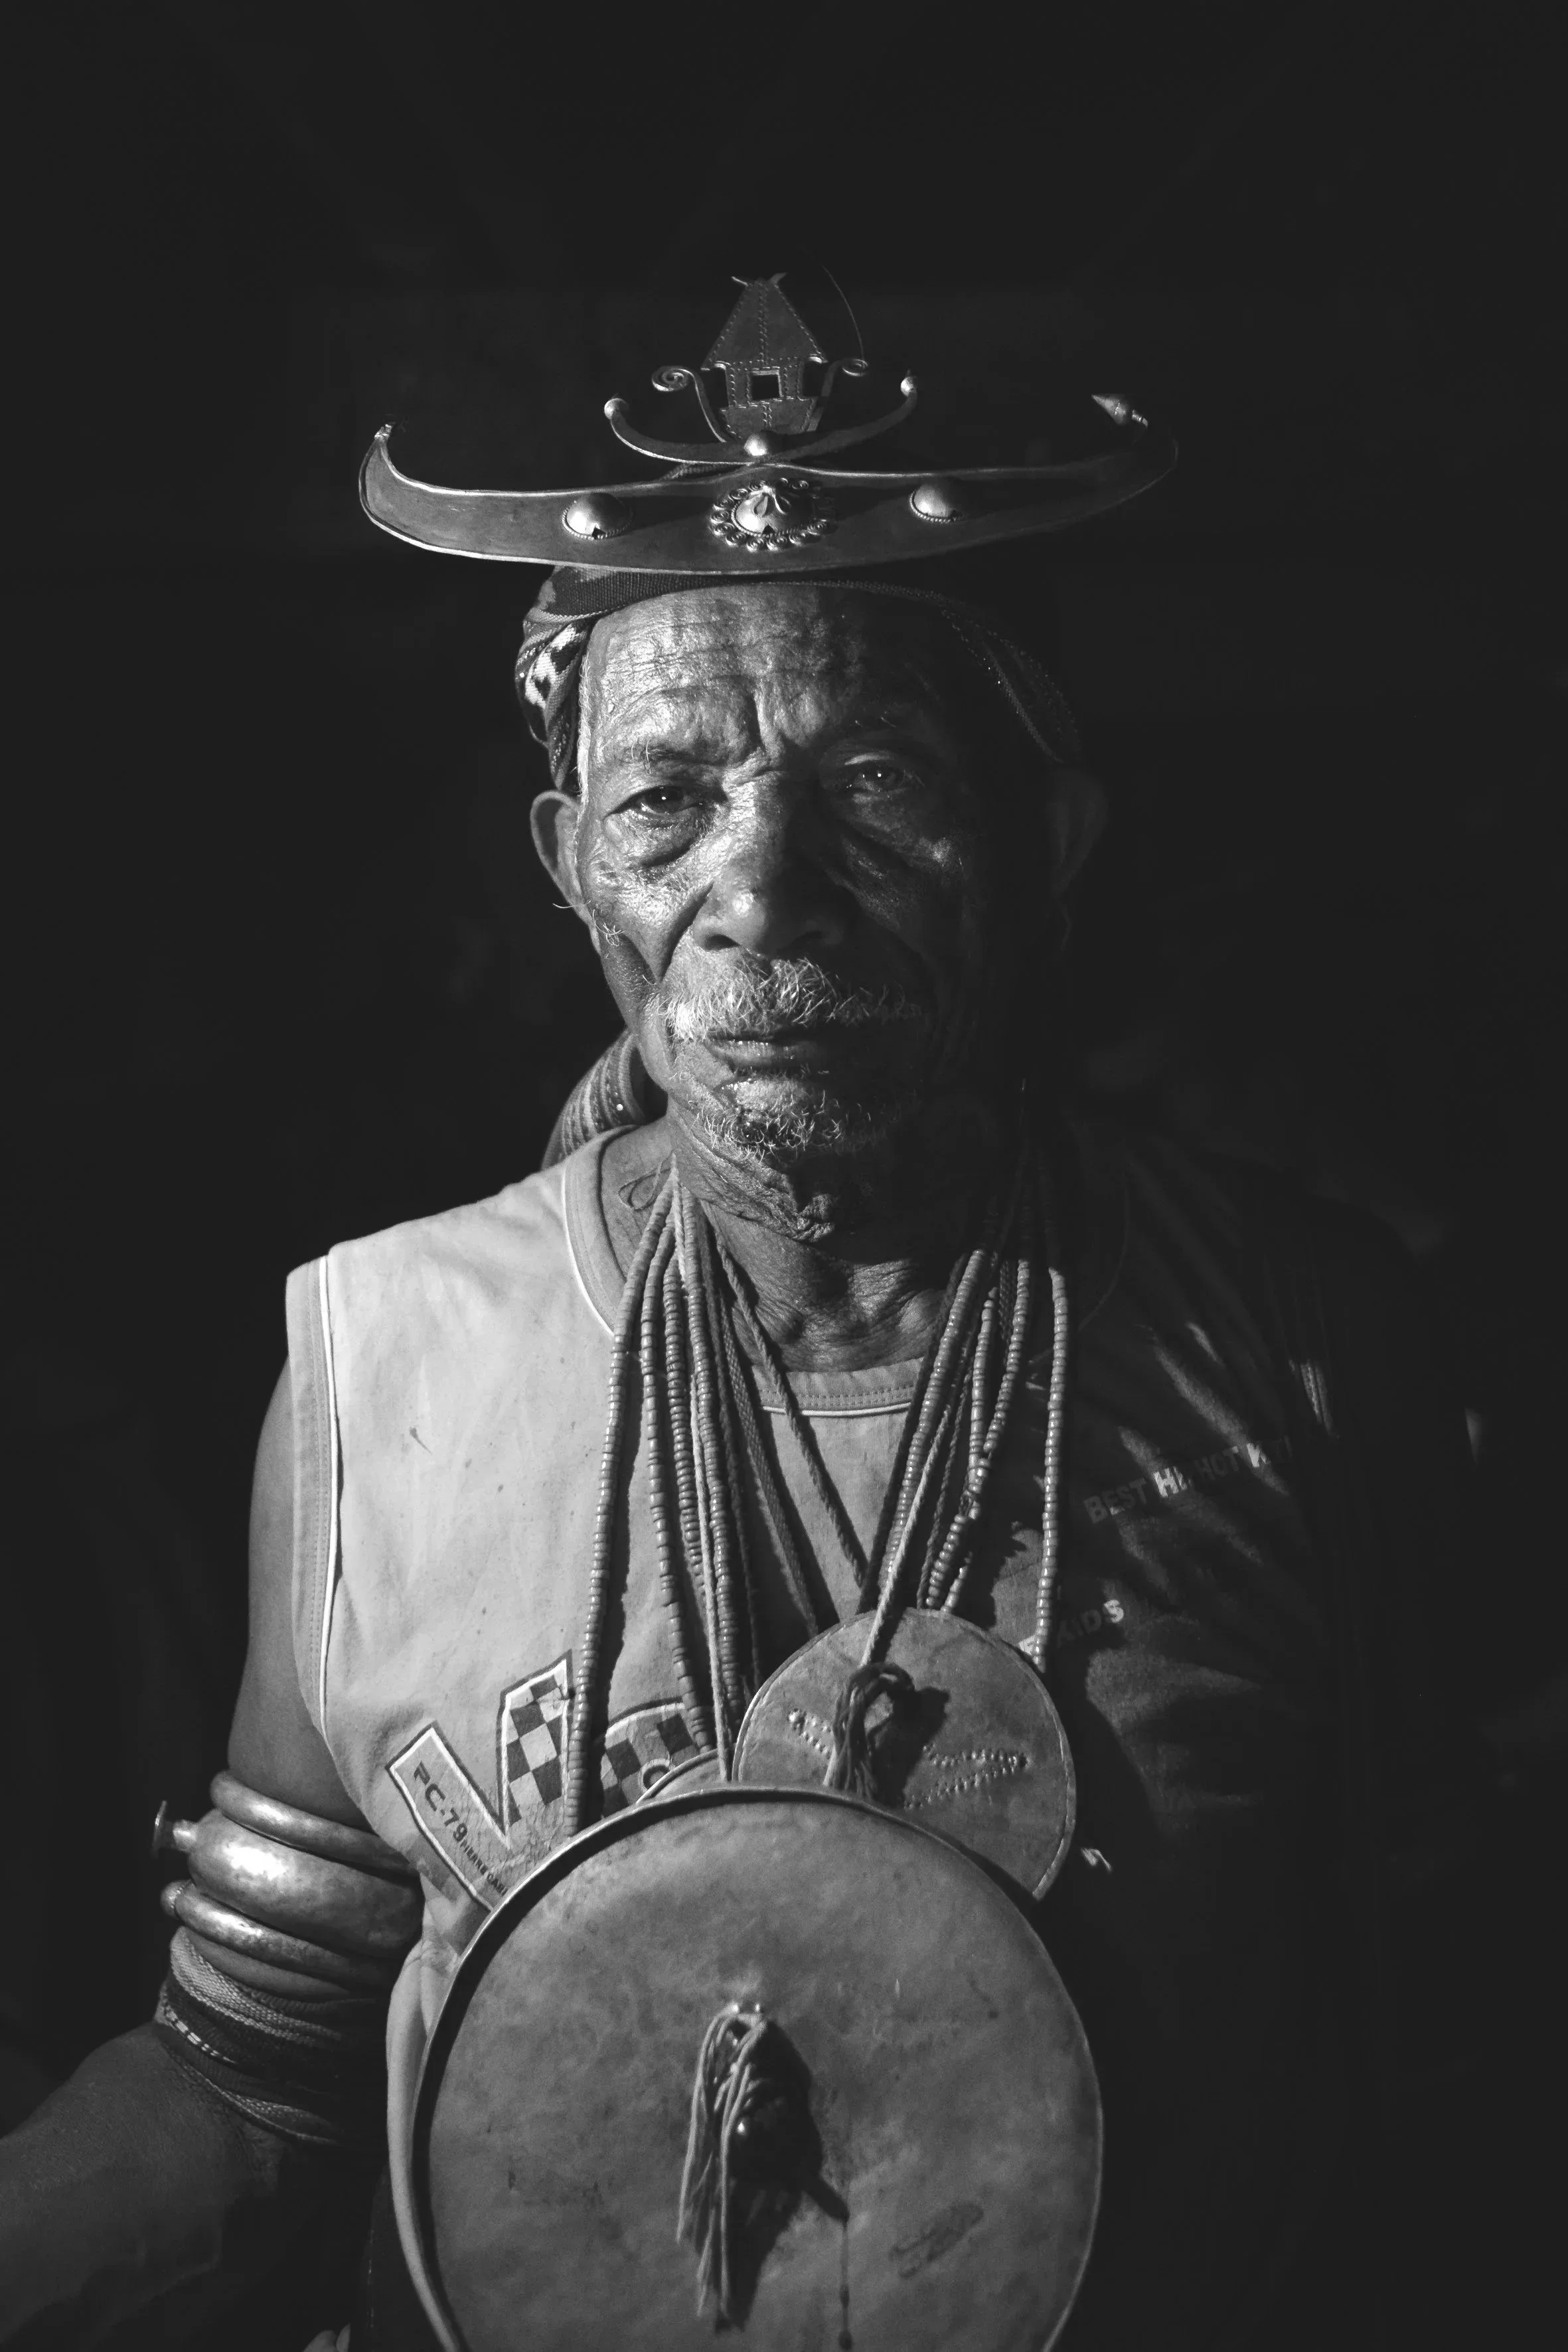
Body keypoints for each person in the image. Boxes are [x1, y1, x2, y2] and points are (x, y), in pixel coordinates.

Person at [0, 281, 1474, 2351]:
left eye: (871, 777)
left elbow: (1476, 2054)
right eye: (665, 799)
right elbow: (256, 2081)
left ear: (1042, 845)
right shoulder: (387, 1367)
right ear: (568, 870)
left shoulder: (1303, 1356)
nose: (764, 887)